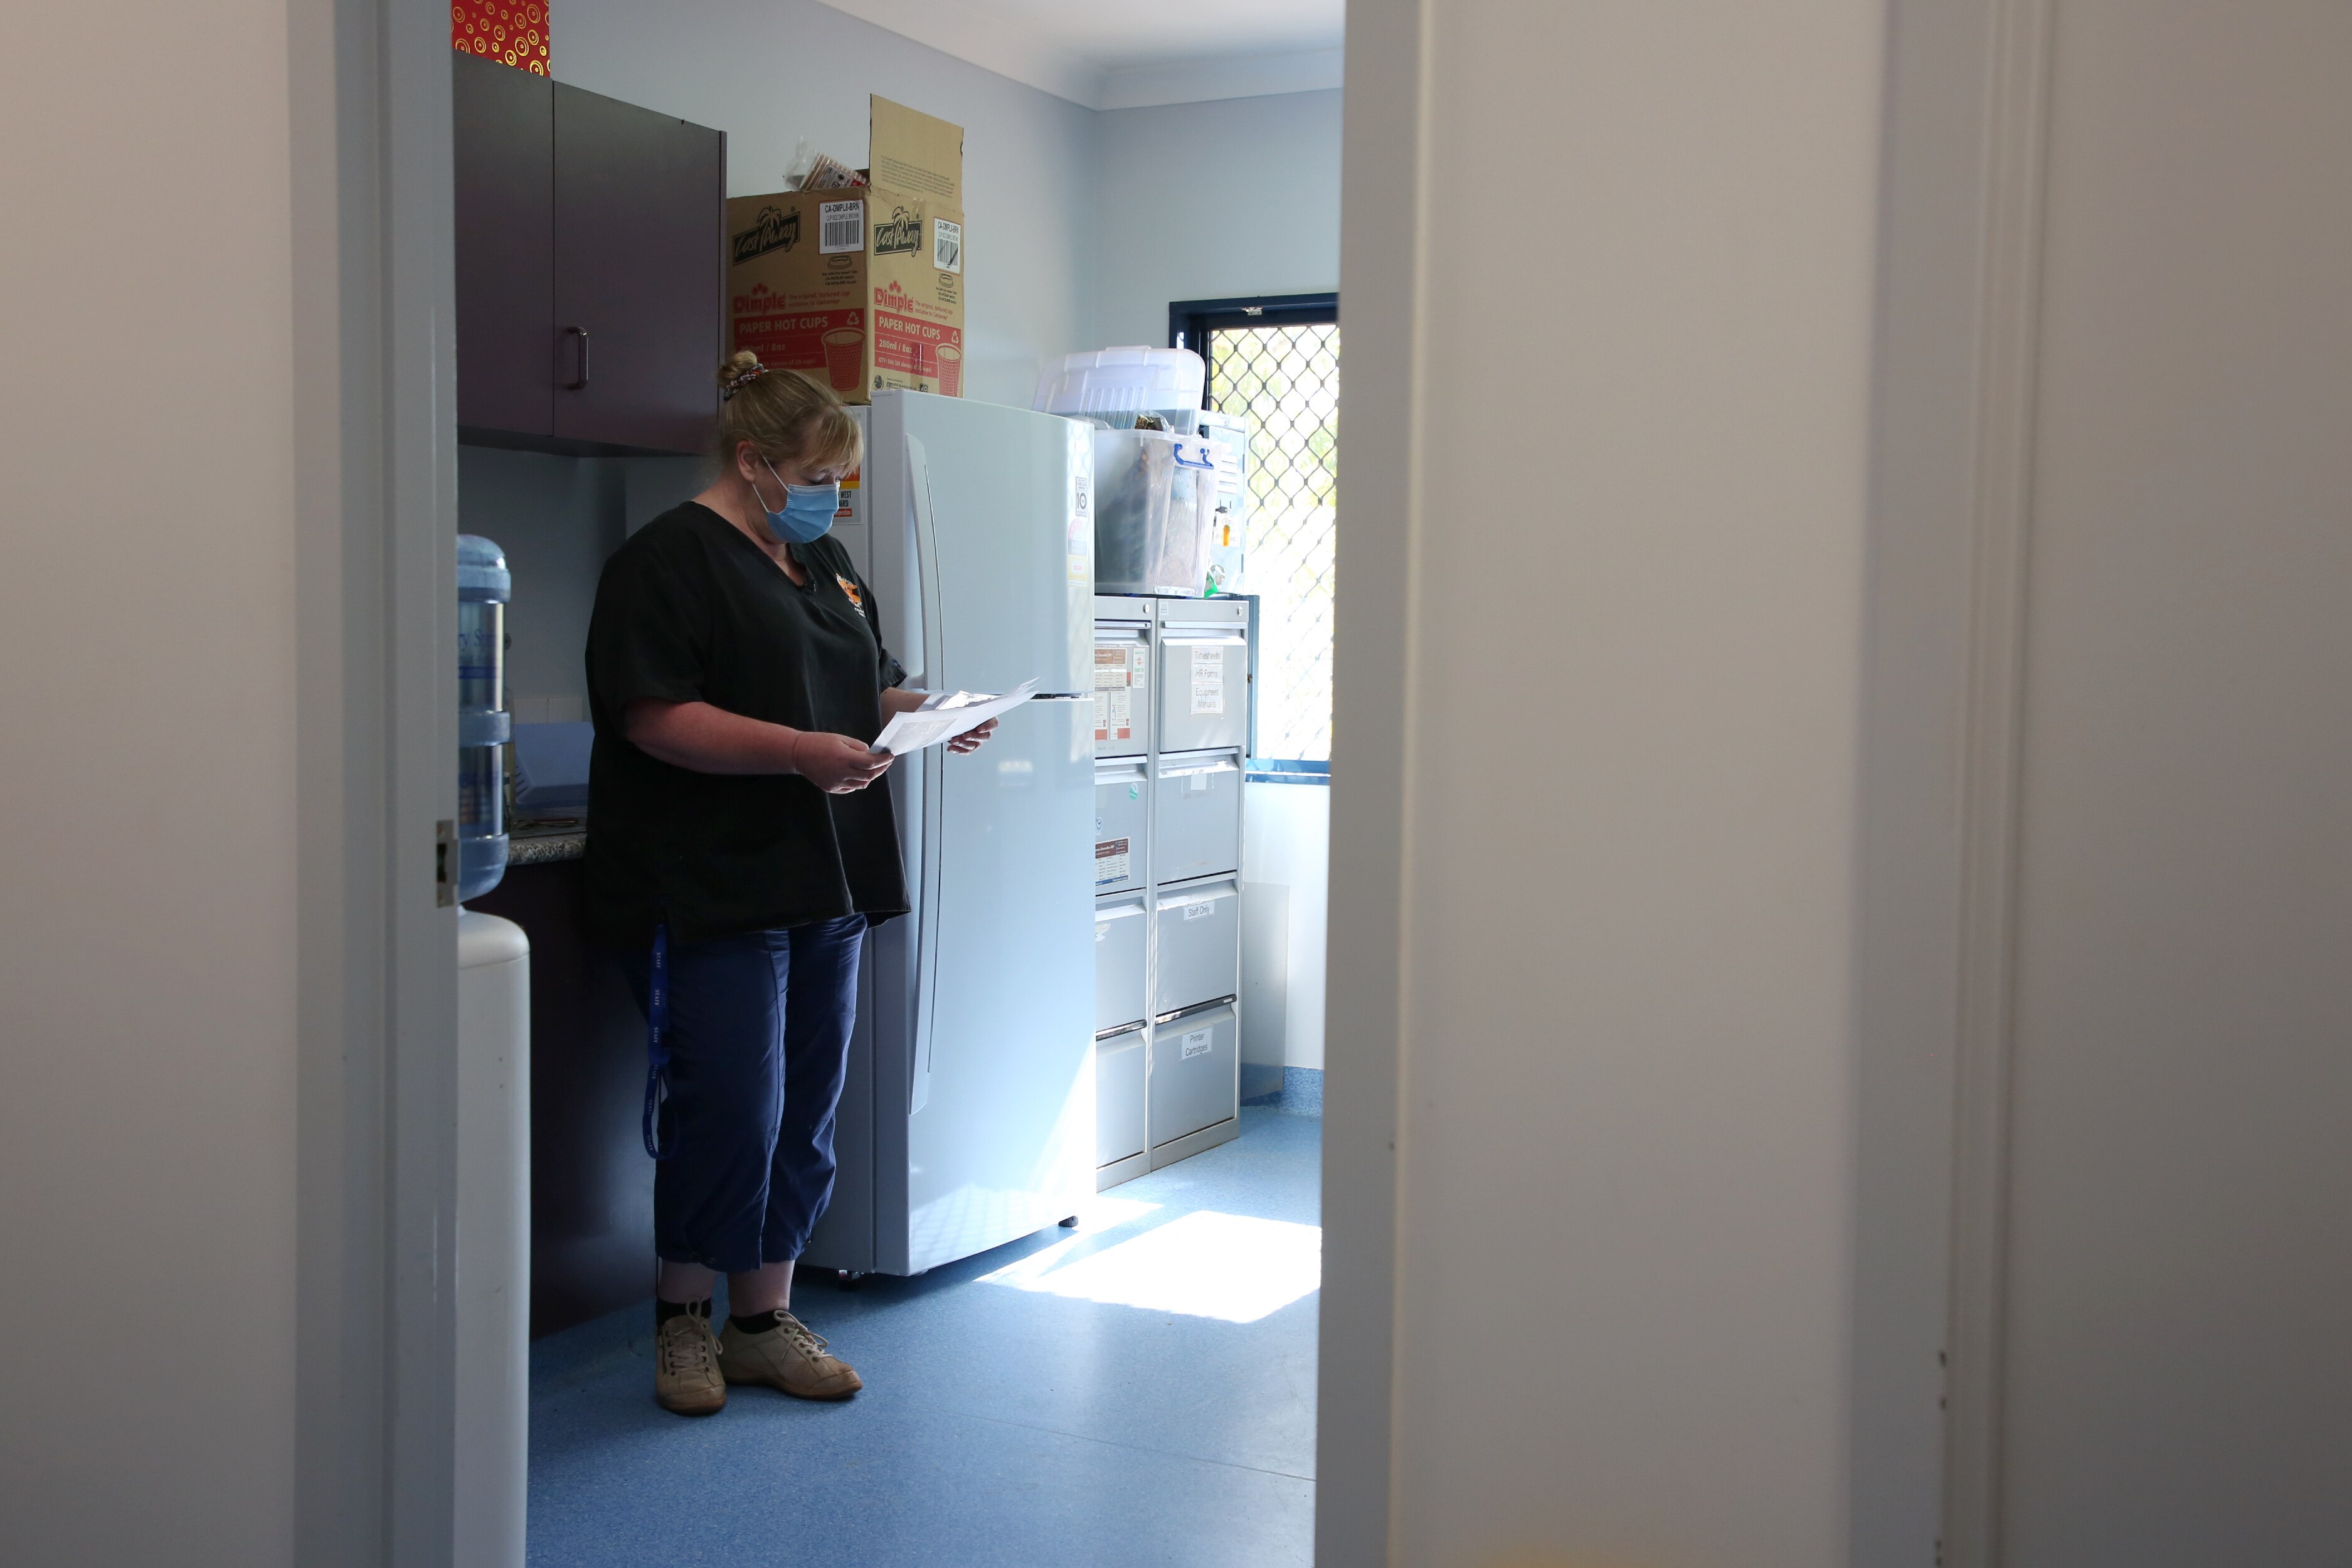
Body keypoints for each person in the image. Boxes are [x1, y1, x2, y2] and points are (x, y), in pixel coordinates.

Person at [583, 352, 996, 1416]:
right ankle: (683, 1322)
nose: (830, 498)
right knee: (729, 1110)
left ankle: (762, 1323)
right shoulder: (664, 561)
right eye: (817, 478)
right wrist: (799, 752)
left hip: (827, 877)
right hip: (709, 882)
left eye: (839, 481)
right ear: (751, 461)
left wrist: (931, 708)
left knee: (805, 1112)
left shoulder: (822, 561)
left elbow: (860, 685)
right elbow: (654, 716)